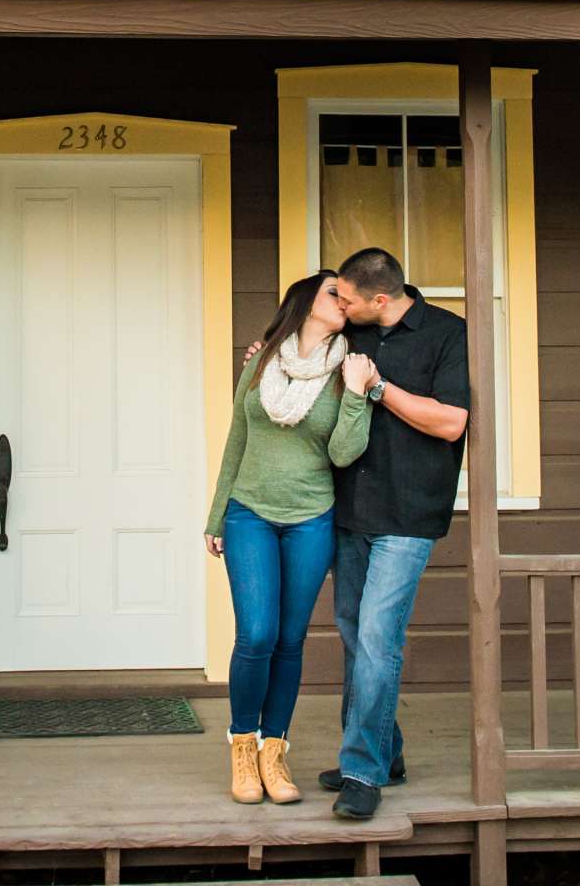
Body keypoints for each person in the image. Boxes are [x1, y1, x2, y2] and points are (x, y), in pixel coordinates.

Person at [203, 271, 376, 805]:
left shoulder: (348, 367)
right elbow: (237, 437)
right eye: (334, 293)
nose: (344, 301)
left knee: (288, 640)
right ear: (305, 301)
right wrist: (215, 515)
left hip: (311, 518)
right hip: (249, 512)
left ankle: (274, 753)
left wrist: (355, 395)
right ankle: (243, 746)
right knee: (255, 634)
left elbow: (345, 453)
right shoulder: (262, 361)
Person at [317, 247, 470, 821]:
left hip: (408, 514)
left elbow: (452, 422)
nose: (340, 304)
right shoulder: (348, 335)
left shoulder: (446, 334)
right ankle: (387, 752)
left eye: (347, 298)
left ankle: (362, 772)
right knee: (358, 640)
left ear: (379, 299)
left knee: (379, 640)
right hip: (349, 509)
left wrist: (379, 389)